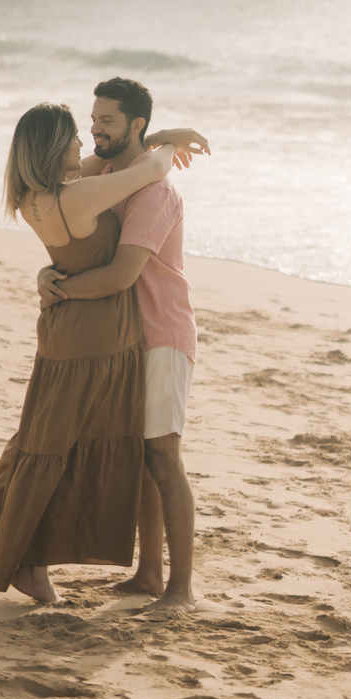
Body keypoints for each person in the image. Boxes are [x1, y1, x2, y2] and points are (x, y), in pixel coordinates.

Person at [0, 102, 190, 604]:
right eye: (77, 134)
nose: (85, 140)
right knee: (57, 449)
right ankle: (6, 551)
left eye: (97, 125)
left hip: (65, 331)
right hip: (92, 335)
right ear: (56, 147)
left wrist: (50, 282)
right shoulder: (78, 196)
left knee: (40, 442)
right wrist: (169, 139)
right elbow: (150, 169)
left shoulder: (33, 196)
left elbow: (112, 164)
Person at [39, 77, 204, 613]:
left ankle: (181, 590)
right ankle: (149, 575)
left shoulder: (155, 192)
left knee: (163, 455)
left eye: (106, 121)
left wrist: (58, 293)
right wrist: (47, 273)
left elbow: (120, 274)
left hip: (162, 333)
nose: (94, 130)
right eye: (93, 120)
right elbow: (61, 204)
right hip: (126, 335)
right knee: (141, 456)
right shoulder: (108, 174)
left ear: (134, 124)